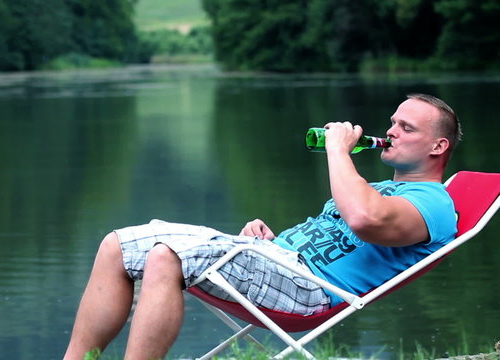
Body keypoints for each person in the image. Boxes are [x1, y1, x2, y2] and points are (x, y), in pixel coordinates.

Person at [62, 93, 462, 360]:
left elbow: (363, 219)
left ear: (437, 147)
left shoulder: (433, 205)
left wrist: (337, 151)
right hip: (278, 260)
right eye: (393, 122)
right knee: (117, 244)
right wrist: (269, 240)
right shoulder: (377, 187)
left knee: (167, 256)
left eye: (406, 128)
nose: (390, 131)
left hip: (312, 291)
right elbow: (338, 224)